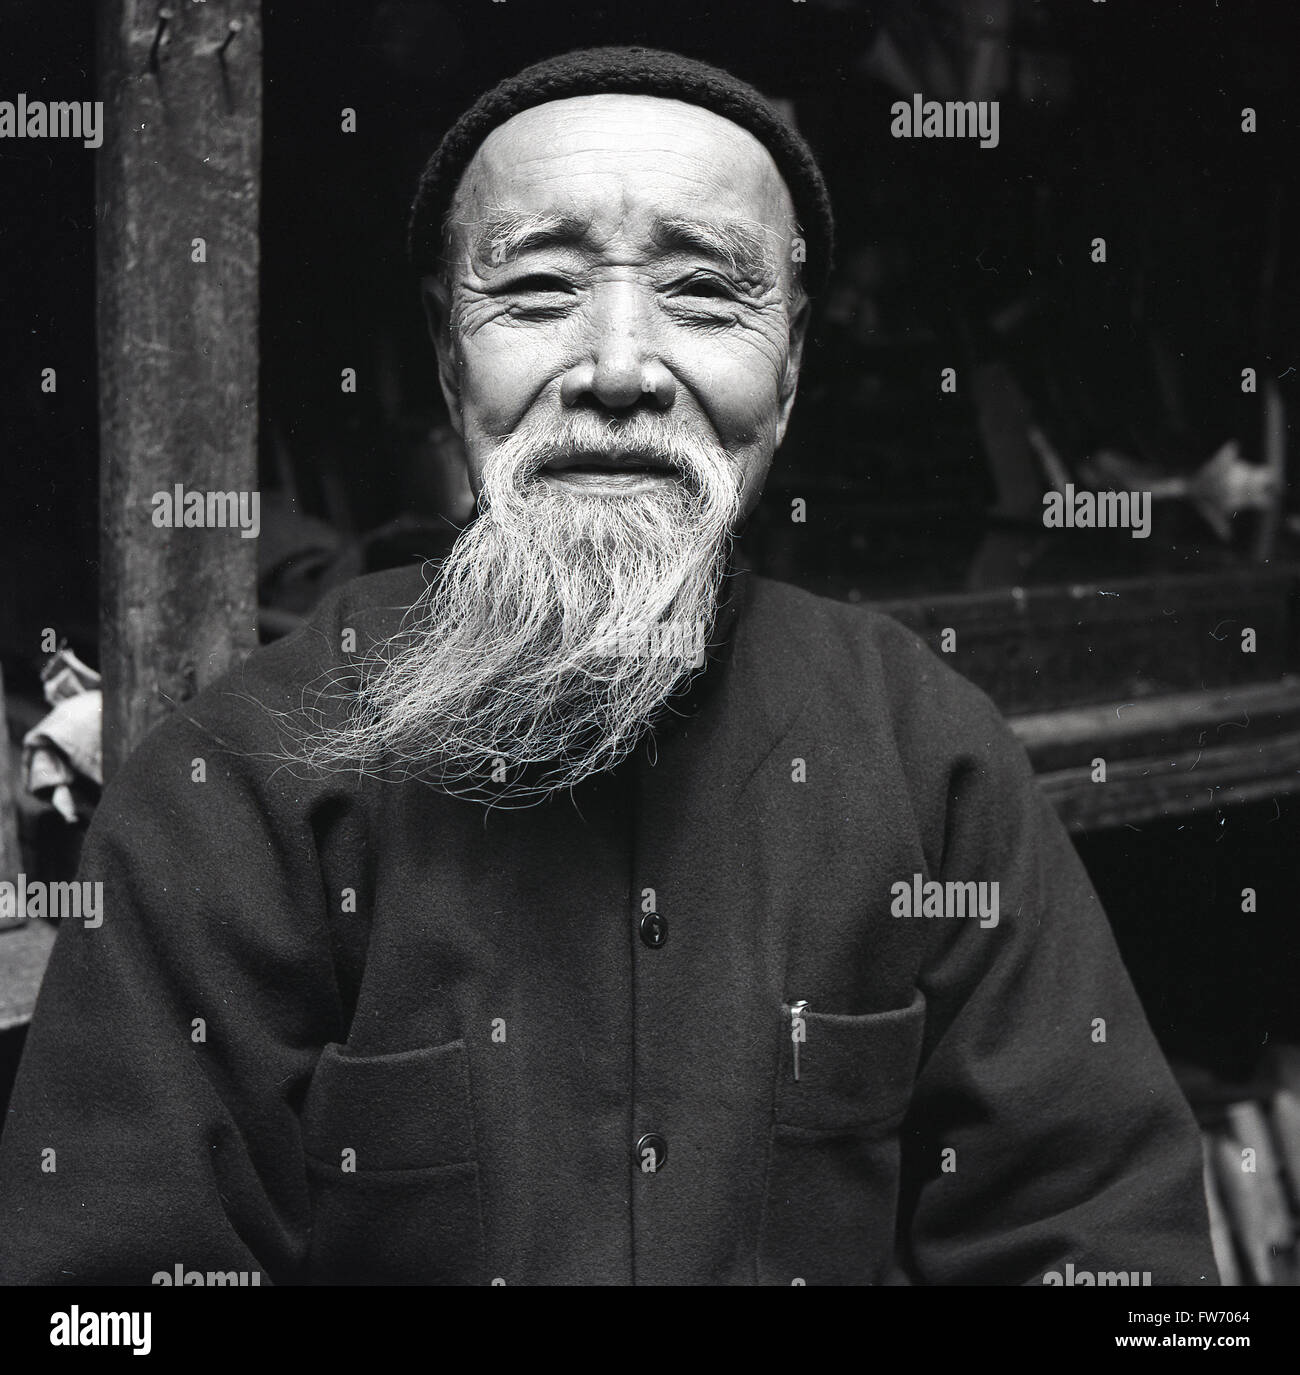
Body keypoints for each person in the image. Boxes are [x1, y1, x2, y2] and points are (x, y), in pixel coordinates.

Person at [0, 46, 1215, 1286]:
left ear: (787, 373)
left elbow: (1102, 1244)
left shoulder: (930, 759)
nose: (621, 369)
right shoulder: (236, 787)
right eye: (535, 290)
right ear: (444, 350)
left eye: (702, 294)